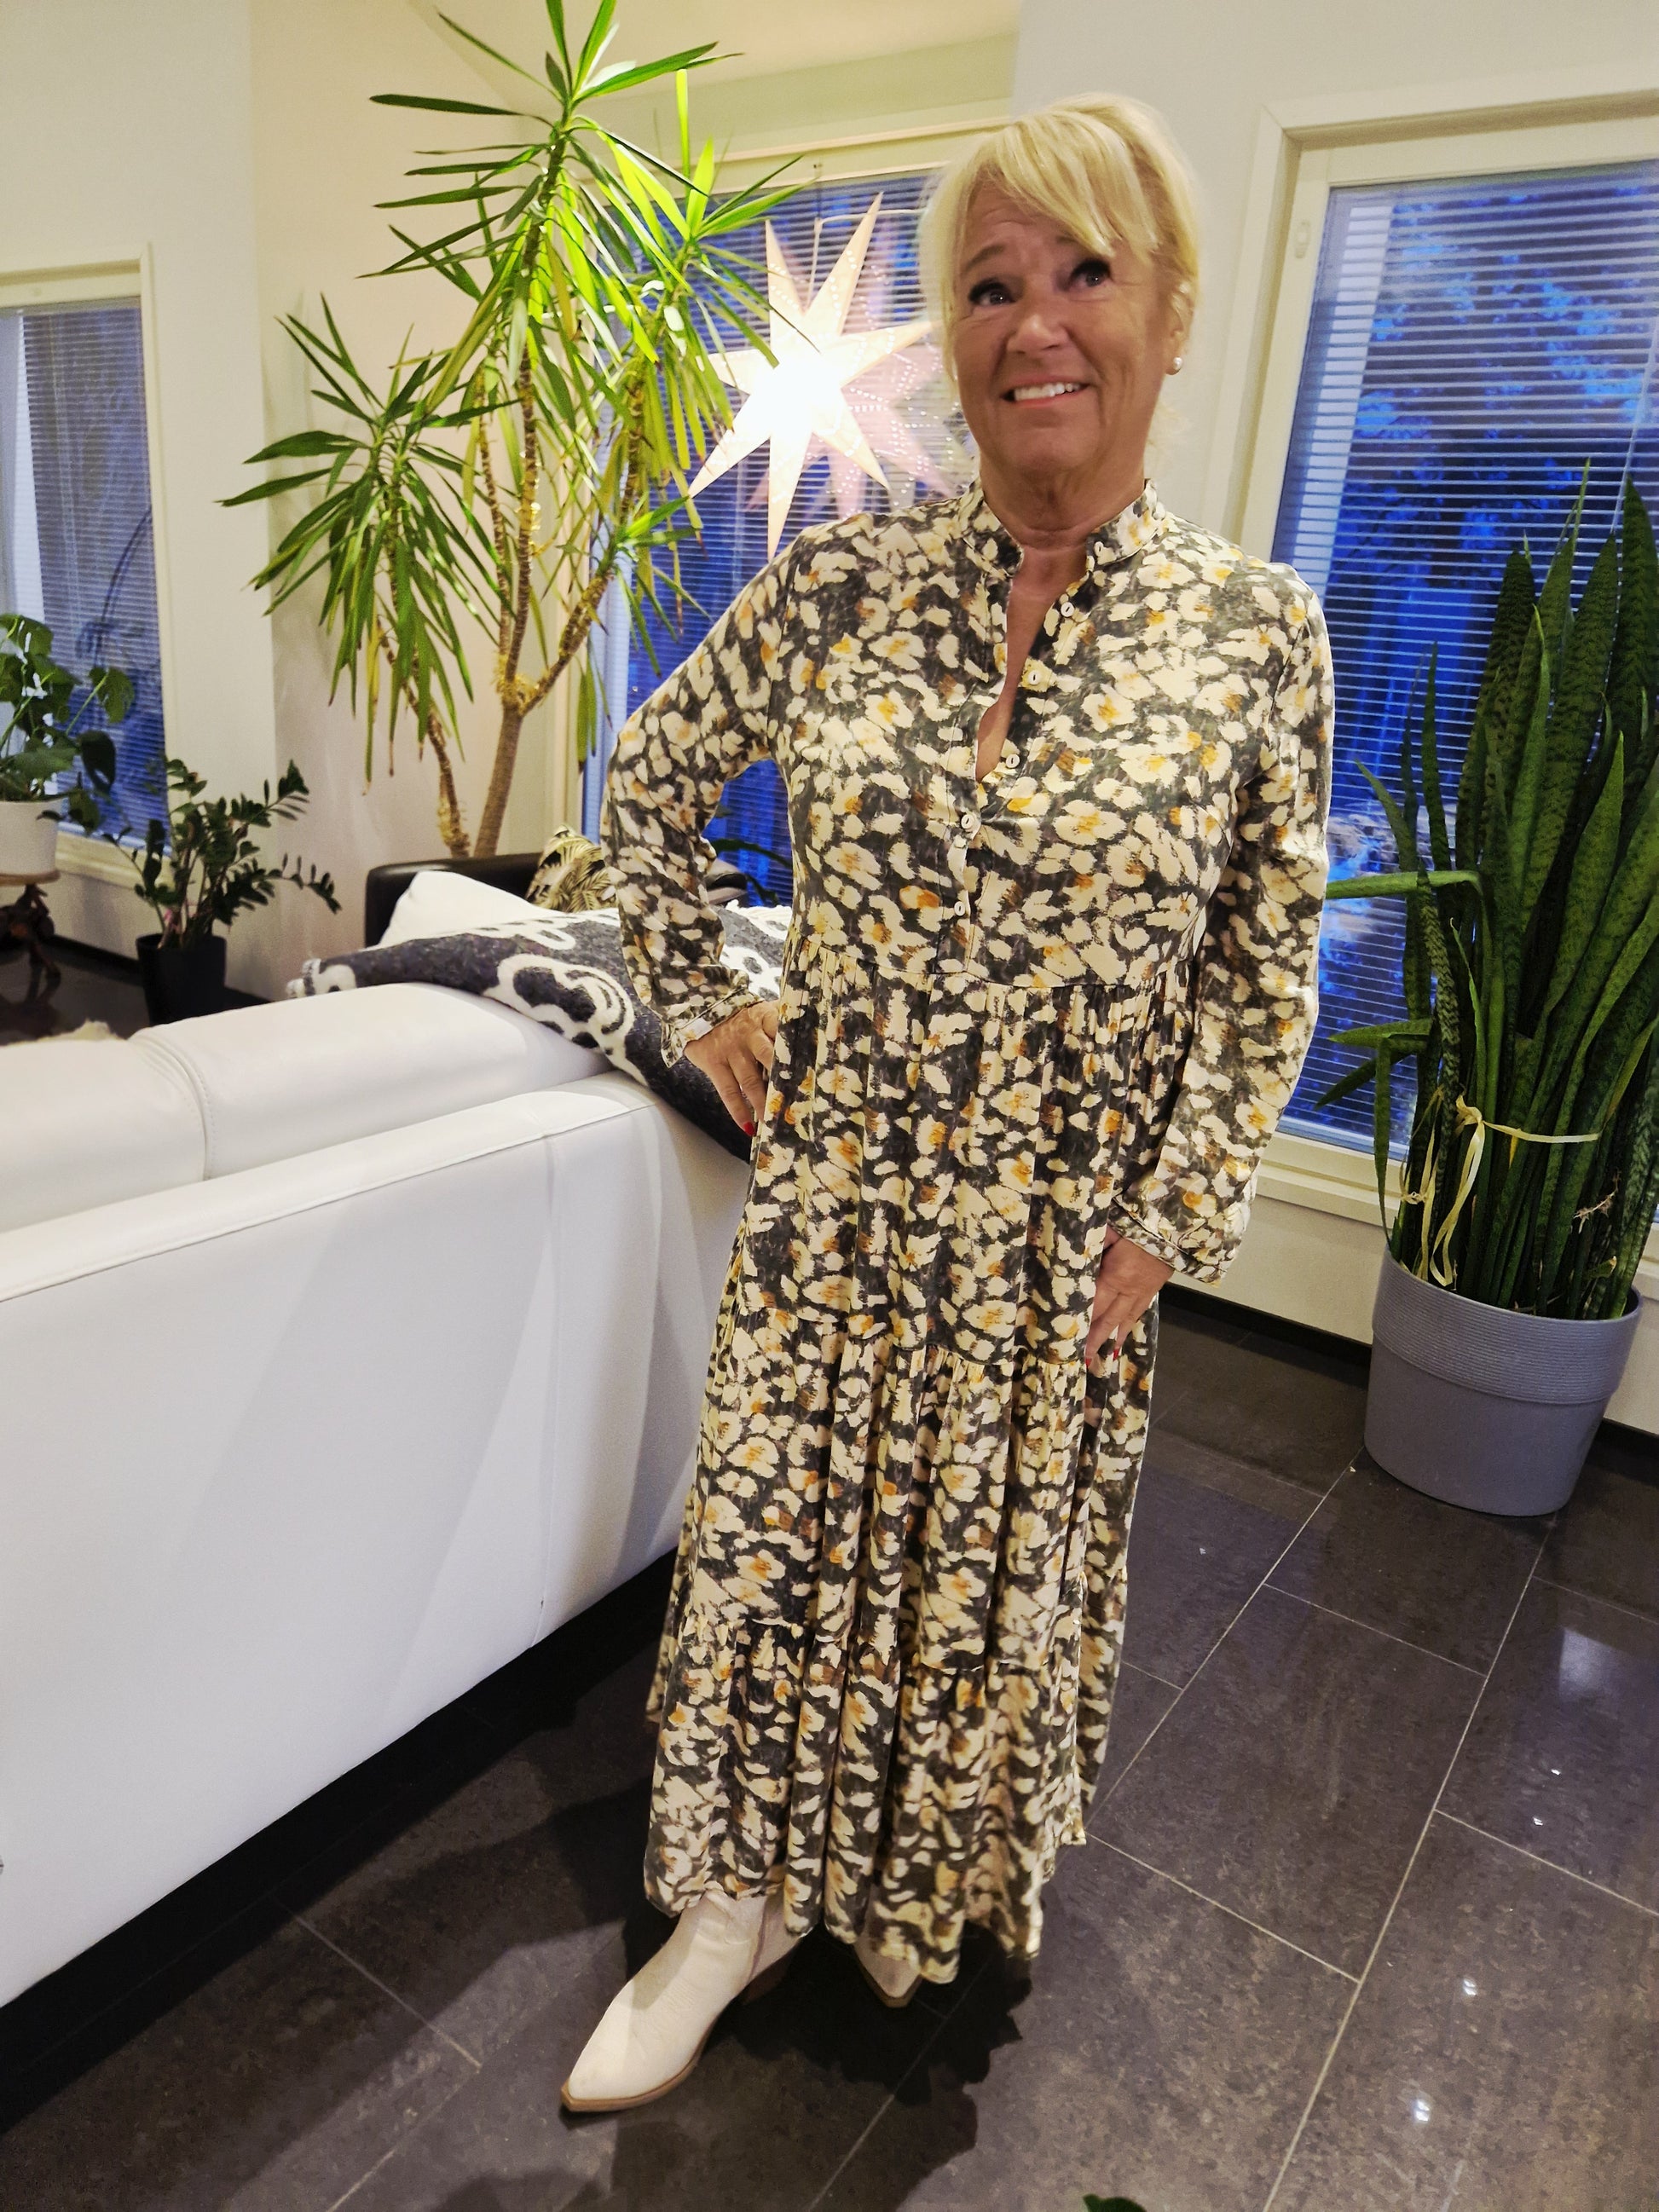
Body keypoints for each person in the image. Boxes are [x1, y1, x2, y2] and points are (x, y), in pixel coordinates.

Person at [564, 91, 1332, 2111]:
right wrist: (709, 996)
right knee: (773, 1558)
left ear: (1171, 312)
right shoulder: (834, 585)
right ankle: (730, 1904)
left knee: (972, 1590)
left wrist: (1168, 1214)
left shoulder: (1258, 636)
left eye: (1084, 271)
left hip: (1048, 1258)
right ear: (954, 340)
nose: (1034, 322)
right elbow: (648, 782)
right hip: (832, 1211)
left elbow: (1264, 967)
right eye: (990, 285)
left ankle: (911, 1886)